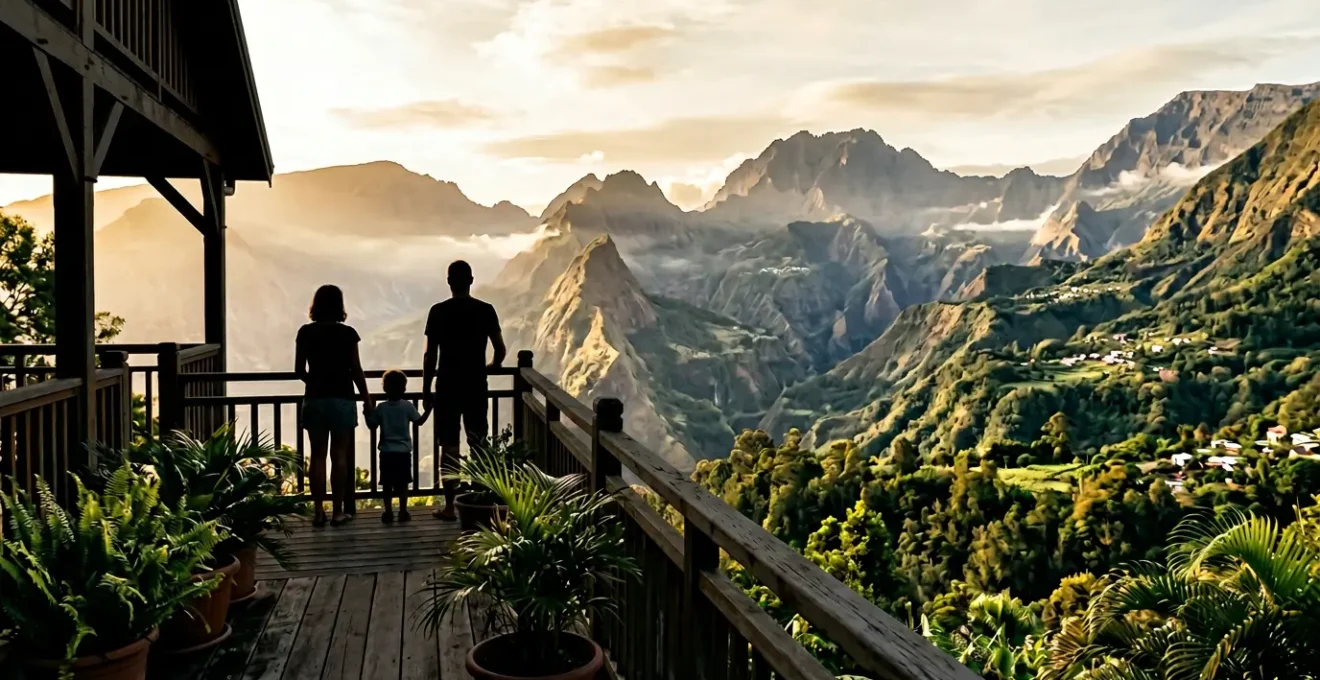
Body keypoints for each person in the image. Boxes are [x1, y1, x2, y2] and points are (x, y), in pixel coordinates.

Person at [423, 260, 506, 521]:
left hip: (447, 386)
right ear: (471, 280)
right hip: (475, 385)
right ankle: (481, 502)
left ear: (449, 282)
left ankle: (450, 506)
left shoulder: (438, 311)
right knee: (478, 443)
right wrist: (491, 366)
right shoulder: (485, 310)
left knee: (448, 447)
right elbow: (500, 349)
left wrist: (425, 389)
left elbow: (430, 356)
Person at [295, 284, 372, 527]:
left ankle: (318, 511)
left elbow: (299, 370)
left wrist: (316, 382)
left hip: (315, 399)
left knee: (317, 456)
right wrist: (367, 399)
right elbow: (356, 369)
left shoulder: (306, 332)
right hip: (342, 399)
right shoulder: (348, 334)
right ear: (340, 306)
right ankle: (338, 511)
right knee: (339, 456)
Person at [365, 370, 431, 523]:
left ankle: (388, 512)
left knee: (387, 484)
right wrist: (428, 410)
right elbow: (419, 421)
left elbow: (372, 425)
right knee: (403, 483)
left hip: (386, 453)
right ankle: (403, 511)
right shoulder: (407, 406)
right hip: (403, 452)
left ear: (385, 388)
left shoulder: (381, 408)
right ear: (404, 389)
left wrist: (367, 412)